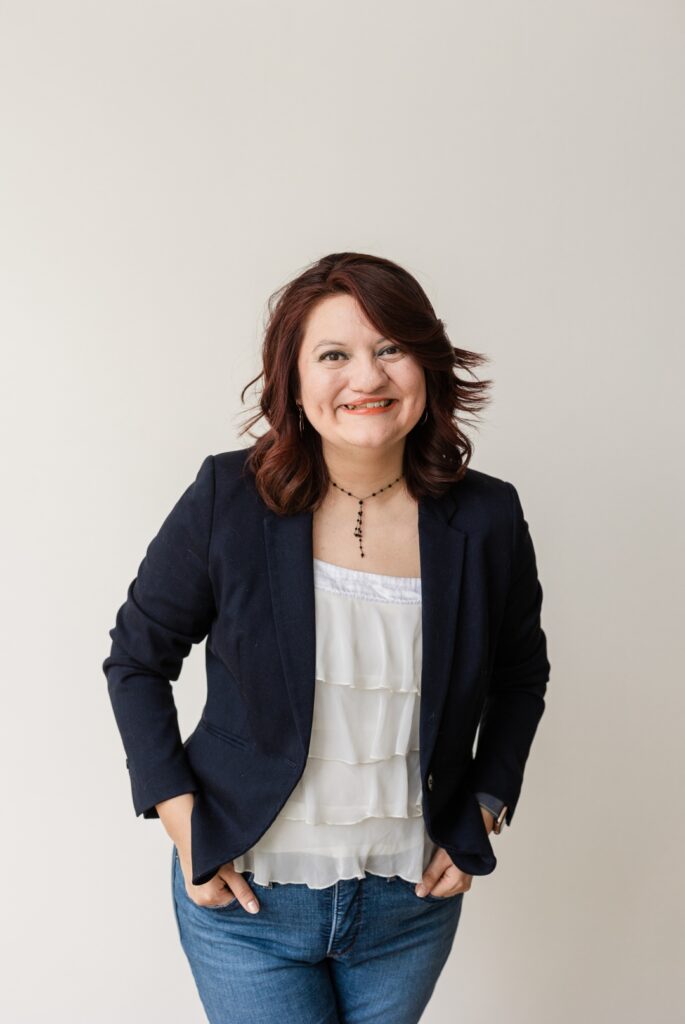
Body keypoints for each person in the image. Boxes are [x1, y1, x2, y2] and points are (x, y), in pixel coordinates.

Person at [102, 251, 551, 1024]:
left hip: (407, 906)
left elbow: (521, 677)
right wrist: (183, 826)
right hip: (247, 900)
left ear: (426, 365)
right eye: (334, 354)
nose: (366, 379)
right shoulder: (227, 499)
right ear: (294, 378)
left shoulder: (487, 518)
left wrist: (483, 807)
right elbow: (137, 659)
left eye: (390, 349)